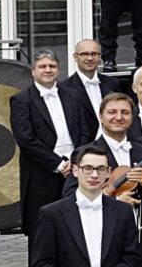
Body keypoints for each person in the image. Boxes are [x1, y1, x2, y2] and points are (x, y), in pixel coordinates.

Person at [29, 143, 142, 267]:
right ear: (75, 170)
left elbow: (133, 258)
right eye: (87, 168)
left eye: (100, 169)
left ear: (109, 173)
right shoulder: (51, 213)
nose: (94, 175)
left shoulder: (123, 212)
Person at [10, 49, 94, 234]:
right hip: (42, 172)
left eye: (52, 66)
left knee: (76, 226)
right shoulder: (21, 100)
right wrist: (57, 164)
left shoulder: (73, 95)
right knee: (41, 228)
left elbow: (84, 132)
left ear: (58, 70)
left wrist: (76, 161)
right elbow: (26, 140)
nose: (48, 70)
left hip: (75, 171)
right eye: (42, 66)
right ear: (33, 71)